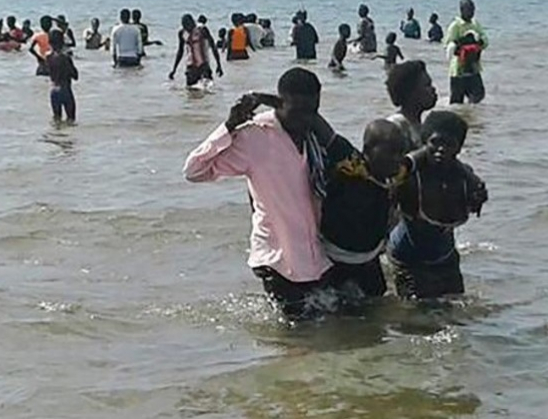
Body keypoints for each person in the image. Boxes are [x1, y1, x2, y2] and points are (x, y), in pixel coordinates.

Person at [183, 69, 334, 319]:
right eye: (299, 111)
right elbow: (194, 170)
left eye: (312, 111)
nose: (306, 119)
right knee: (299, 341)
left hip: (317, 258)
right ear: (283, 102)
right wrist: (229, 125)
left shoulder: (314, 137)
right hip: (277, 258)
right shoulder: (256, 136)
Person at [388, 111, 487, 299]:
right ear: (425, 141)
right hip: (408, 258)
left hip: (445, 256)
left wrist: (475, 190)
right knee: (416, 315)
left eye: (449, 144)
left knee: (455, 311)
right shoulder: (409, 176)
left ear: (458, 149)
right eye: (435, 142)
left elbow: (475, 203)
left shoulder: (465, 179)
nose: (441, 149)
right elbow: (391, 177)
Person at [317, 118, 417, 299]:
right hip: (333, 257)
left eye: (400, 152)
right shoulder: (351, 165)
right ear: (367, 151)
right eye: (390, 152)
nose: (396, 158)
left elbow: (419, 157)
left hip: (368, 258)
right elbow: (317, 124)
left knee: (376, 302)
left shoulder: (397, 173)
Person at [444, 0, 489, 104]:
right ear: (462, 10)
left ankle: (472, 116)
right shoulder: (455, 26)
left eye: (473, 10)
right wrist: (459, 44)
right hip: (458, 70)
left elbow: (485, 41)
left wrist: (479, 42)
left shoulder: (475, 25)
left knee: (478, 95)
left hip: (474, 67)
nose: (472, 12)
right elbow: (447, 45)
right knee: (457, 101)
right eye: (469, 9)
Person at [386, 60, 439, 150]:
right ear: (410, 93)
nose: (433, 89)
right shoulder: (396, 127)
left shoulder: (418, 126)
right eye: (427, 85)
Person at [169, 14, 224, 88]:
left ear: (193, 22)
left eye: (189, 24)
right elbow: (180, 51)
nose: (188, 27)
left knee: (208, 90)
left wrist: (219, 64)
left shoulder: (202, 30)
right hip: (191, 67)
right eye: (185, 25)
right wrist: (174, 69)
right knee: (191, 91)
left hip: (203, 65)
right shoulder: (182, 33)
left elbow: (213, 46)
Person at [46, 30, 79, 124]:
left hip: (53, 90)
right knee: (71, 120)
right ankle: (68, 138)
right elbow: (75, 75)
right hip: (65, 90)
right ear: (62, 42)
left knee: (57, 120)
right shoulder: (65, 58)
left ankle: (56, 137)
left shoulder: (48, 57)